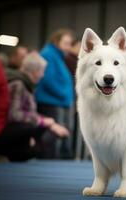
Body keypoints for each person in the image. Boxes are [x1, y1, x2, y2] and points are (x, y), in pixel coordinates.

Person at [0, 52, 69, 161]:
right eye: (42, 71)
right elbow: (14, 115)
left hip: (10, 129)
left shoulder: (25, 84)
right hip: (5, 130)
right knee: (37, 130)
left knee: (41, 130)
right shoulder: (18, 84)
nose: (43, 75)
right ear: (35, 72)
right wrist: (43, 122)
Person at [35, 29, 75, 159]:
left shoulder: (58, 56)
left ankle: (57, 162)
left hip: (59, 101)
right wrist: (64, 94)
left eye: (70, 43)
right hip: (52, 102)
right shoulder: (48, 54)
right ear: (56, 41)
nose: (69, 46)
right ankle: (49, 162)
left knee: (61, 134)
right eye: (66, 43)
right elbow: (47, 79)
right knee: (54, 135)